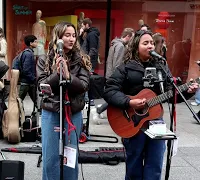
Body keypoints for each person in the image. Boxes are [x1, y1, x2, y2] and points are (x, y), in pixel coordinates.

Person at [103, 30, 198, 180]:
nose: (150, 46)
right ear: (136, 46)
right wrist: (129, 102)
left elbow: (170, 93)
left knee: (155, 164)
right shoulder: (125, 67)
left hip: (156, 122)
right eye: (145, 43)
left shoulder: (161, 67)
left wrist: (188, 92)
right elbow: (109, 90)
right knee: (134, 165)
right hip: (133, 123)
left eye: (152, 43)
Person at [37, 21, 91, 180]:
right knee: (50, 158)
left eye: (74, 35)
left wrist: (68, 76)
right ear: (58, 37)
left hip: (73, 113)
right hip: (51, 112)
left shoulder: (82, 59)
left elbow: (84, 86)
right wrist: (56, 73)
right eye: (67, 35)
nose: (72, 39)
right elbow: (41, 86)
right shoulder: (43, 59)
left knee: (70, 158)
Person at [95, 28, 134, 116]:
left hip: (110, 74)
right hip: (114, 76)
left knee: (115, 96)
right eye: (132, 38)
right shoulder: (120, 46)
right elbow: (117, 63)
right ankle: (100, 109)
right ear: (128, 36)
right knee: (116, 96)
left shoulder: (115, 44)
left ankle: (101, 110)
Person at [80, 18, 100, 106]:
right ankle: (87, 99)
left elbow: (93, 49)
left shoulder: (92, 34)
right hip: (86, 61)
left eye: (82, 25)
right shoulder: (88, 34)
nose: (81, 27)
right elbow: (82, 46)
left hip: (88, 62)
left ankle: (88, 99)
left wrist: (87, 60)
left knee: (87, 79)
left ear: (86, 25)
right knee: (86, 78)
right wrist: (80, 36)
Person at [18, 35, 38, 107]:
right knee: (19, 101)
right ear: (31, 43)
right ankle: (14, 114)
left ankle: (40, 112)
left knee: (35, 100)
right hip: (27, 82)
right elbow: (26, 69)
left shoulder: (26, 52)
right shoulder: (29, 54)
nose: (37, 43)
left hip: (27, 81)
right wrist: (33, 79)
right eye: (35, 42)